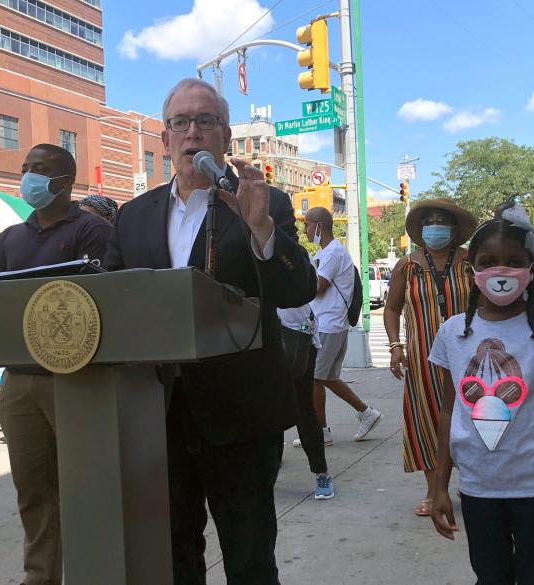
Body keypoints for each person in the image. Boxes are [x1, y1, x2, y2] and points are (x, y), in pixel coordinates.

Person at [104, 78, 313, 585]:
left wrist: (261, 227)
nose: (192, 133)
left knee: (249, 556)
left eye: (206, 122)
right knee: (173, 554)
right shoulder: (132, 217)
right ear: (164, 138)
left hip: (241, 416)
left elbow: (297, 288)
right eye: (181, 123)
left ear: (225, 137)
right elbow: (109, 299)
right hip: (159, 415)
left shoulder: (262, 202)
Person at [429, 209, 534, 584]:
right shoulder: (453, 333)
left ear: (532, 269)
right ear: (473, 271)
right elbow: (449, 412)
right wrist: (438, 487)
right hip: (478, 489)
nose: (502, 271)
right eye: (489, 262)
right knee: (490, 577)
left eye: (515, 262)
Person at [0, 144, 113, 585]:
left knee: (84, 486)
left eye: (39, 170)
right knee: (32, 489)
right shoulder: (10, 238)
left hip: (75, 379)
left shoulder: (91, 231)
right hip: (20, 381)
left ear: (66, 181)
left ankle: (93, 570)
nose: (28, 177)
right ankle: (39, 576)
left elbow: (100, 300)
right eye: (25, 168)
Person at [383, 199, 477, 517]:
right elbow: (393, 308)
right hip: (423, 359)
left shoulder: (470, 263)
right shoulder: (406, 266)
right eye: (429, 220)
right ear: (421, 229)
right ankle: (434, 492)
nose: (435, 225)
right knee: (426, 423)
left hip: (469, 358)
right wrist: (396, 346)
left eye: (441, 220)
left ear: (453, 229)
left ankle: (474, 485)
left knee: (474, 419)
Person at [305, 207, 382, 445]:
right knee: (326, 377)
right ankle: (366, 413)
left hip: (329, 323)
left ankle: (321, 431)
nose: (304, 230)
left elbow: (317, 288)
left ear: (319, 226)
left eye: (307, 224)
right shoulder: (328, 252)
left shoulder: (333, 253)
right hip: (328, 323)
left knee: (316, 378)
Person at [277, 294, 333, 500]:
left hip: (296, 338)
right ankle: (267, 475)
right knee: (270, 410)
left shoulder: (295, 262)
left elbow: (311, 288)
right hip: (267, 338)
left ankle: (322, 473)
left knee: (303, 409)